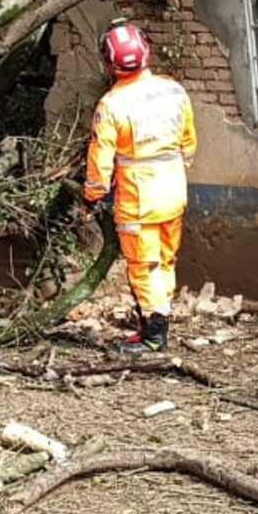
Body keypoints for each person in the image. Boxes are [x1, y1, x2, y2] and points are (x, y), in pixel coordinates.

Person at [83, 19, 197, 352]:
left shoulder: (112, 105)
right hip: (174, 191)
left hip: (138, 200)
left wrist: (93, 198)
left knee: (143, 267)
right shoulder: (174, 91)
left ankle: (153, 337)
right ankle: (157, 320)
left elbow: (99, 164)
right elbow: (189, 143)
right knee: (165, 261)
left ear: (109, 62)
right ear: (146, 51)